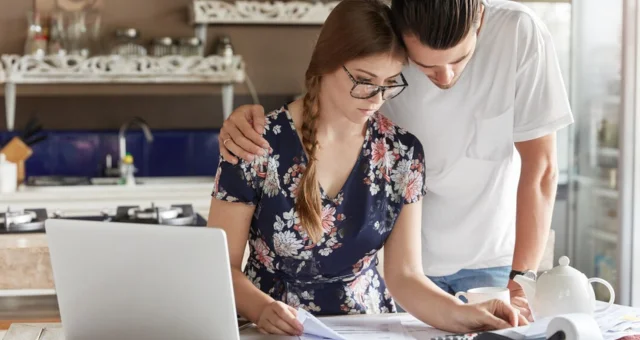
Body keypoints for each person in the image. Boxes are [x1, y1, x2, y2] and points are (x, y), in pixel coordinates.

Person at [216, 0, 573, 322]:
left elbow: (404, 276)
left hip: (450, 278)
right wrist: (261, 309)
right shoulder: (258, 143)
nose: (375, 98)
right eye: (365, 81)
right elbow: (218, 269)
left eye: (388, 84)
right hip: (287, 321)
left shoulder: (400, 153)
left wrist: (496, 296)